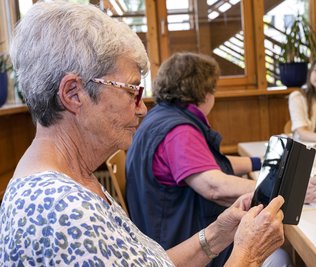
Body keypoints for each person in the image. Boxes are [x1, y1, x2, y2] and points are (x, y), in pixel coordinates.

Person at [0, 2, 285, 266]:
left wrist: (219, 232)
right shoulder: (59, 208)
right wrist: (248, 254)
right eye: (132, 91)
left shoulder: (75, 183)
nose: (143, 110)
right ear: (74, 94)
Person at [125, 53, 316, 266]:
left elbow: (209, 163)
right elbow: (215, 186)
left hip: (164, 234)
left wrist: (261, 163)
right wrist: (290, 191)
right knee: (279, 257)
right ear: (206, 93)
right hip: (180, 245)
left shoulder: (162, 117)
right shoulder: (179, 132)